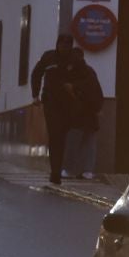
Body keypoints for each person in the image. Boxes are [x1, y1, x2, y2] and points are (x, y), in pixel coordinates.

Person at [37, 44, 81, 186]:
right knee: (57, 138)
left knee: (58, 138)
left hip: (65, 107)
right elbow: (36, 74)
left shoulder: (76, 62)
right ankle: (56, 171)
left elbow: (86, 82)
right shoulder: (50, 59)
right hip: (55, 105)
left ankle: (56, 171)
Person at [63, 45, 104, 182]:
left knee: (73, 143)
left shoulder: (72, 73)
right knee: (89, 144)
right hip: (91, 115)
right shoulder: (90, 72)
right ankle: (87, 171)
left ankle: (70, 170)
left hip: (77, 116)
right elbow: (97, 93)